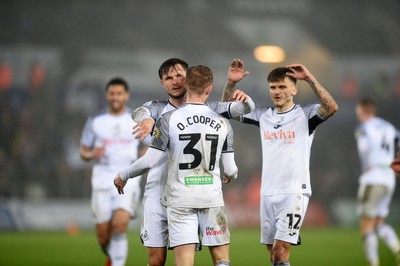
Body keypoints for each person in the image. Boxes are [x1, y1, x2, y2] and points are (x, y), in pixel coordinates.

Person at [129, 58, 254, 266]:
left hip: (185, 195)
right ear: (162, 84)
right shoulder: (156, 108)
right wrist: (149, 118)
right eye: (168, 78)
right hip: (156, 193)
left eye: (179, 75)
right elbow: (138, 113)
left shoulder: (210, 107)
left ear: (188, 79)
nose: (175, 81)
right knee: (156, 260)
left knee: (186, 258)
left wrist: (231, 85)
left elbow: (229, 110)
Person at [222, 63, 338, 265]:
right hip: (268, 192)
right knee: (274, 255)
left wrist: (310, 78)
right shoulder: (263, 115)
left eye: (282, 87)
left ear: (294, 89)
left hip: (294, 191)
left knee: (280, 251)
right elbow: (225, 111)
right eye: (273, 87)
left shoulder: (305, 114)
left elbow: (331, 107)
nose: (277, 91)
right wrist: (231, 84)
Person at [80, 77, 147, 266]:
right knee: (103, 236)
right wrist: (92, 153)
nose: (115, 97)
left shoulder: (136, 118)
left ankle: (117, 263)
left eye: (119, 93)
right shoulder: (95, 121)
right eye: (112, 93)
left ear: (126, 95)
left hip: (128, 178)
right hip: (102, 180)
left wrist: (143, 156)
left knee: (120, 224)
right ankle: (112, 257)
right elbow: (83, 151)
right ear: (107, 95)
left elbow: (149, 145)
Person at [354, 98, 400, 266]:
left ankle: (373, 263)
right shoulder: (389, 127)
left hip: (372, 177)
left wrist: (365, 172)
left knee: (366, 224)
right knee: (379, 223)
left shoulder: (362, 128)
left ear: (363, 110)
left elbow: (363, 151)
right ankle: (397, 249)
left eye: (358, 112)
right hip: (389, 177)